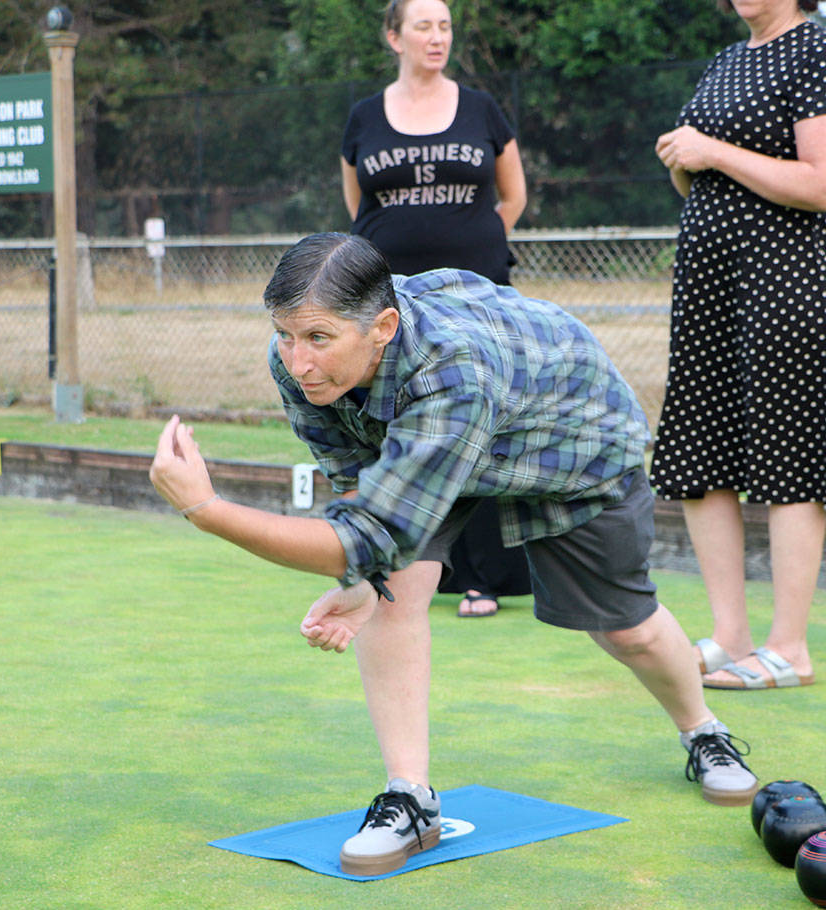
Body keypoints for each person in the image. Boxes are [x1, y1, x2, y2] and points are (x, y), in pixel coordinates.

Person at [149, 232, 761, 877]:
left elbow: (366, 537)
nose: (298, 362)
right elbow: (362, 497)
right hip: (435, 432)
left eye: (319, 339)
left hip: (566, 436)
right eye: (285, 335)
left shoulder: (454, 372)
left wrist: (207, 511)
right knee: (394, 595)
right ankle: (410, 799)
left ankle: (704, 732)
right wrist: (364, 583)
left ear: (382, 327)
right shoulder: (302, 364)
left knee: (626, 629)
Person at [650, 0, 826, 690]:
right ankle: (731, 637)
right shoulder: (726, 61)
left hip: (787, 284)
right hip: (712, 286)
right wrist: (685, 161)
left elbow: (824, 183)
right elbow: (698, 175)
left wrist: (712, 151)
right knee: (702, 451)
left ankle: (790, 649)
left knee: (790, 455)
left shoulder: (818, 53)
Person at [340, 0, 531, 618]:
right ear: (393, 36)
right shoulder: (364, 118)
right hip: (388, 301)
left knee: (479, 424)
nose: (437, 36)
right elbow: (357, 210)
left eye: (445, 25)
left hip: (478, 298)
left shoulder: (481, 109)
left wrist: (472, 243)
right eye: (423, 25)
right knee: (396, 425)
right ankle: (398, 564)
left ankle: (483, 575)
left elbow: (514, 195)